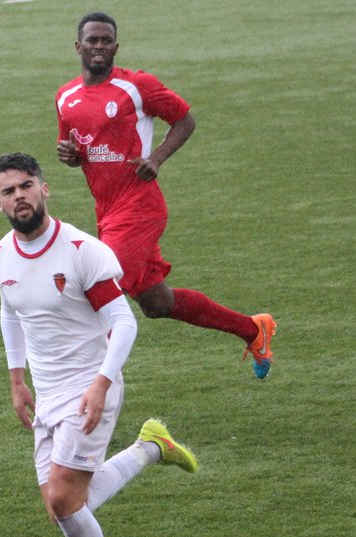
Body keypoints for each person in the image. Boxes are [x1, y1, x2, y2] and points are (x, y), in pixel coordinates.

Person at [0, 152, 199, 537]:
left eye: (26, 186)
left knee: (65, 501)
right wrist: (17, 380)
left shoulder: (83, 251)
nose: (19, 196)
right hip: (47, 393)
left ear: (45, 189)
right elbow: (10, 313)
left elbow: (124, 322)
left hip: (90, 385)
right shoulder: (2, 255)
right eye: (8, 191)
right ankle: (150, 448)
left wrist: (102, 383)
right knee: (59, 508)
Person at [55, 11, 277, 379]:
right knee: (158, 303)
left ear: (116, 47)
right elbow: (78, 148)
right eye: (92, 40)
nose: (99, 46)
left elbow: (185, 119)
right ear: (78, 46)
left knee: (101, 291)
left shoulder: (137, 86)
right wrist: (71, 157)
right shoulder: (65, 97)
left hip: (139, 207)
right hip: (106, 211)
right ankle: (253, 329)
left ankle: (85, 390)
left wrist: (156, 158)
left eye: (106, 40)